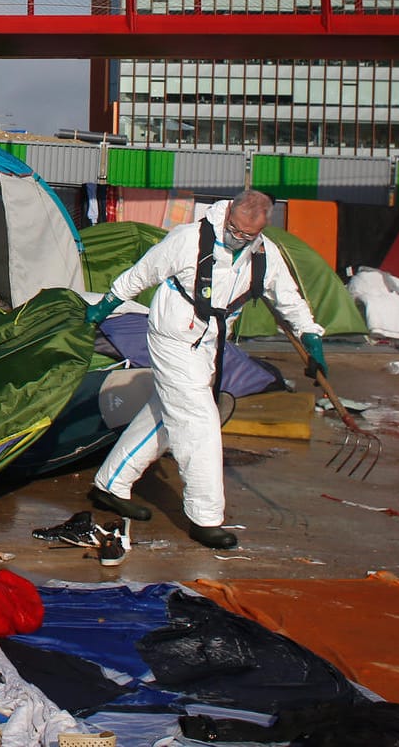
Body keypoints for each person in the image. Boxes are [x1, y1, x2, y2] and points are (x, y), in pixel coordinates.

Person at [83, 190, 326, 549]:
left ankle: (111, 484)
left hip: (209, 343)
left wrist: (311, 338)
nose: (239, 238)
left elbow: (288, 298)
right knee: (199, 422)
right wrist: (104, 307)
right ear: (228, 214)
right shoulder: (188, 240)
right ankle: (205, 517)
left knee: (167, 413)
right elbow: (140, 274)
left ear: (261, 229)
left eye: (248, 235)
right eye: (235, 230)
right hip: (172, 335)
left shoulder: (264, 254)